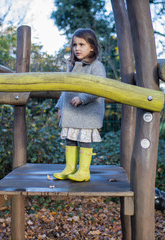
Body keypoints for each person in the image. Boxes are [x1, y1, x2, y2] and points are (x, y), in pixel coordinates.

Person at [53, 28, 106, 182]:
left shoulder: (96, 66)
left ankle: (83, 171)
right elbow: (66, 89)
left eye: (82, 44)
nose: (77, 48)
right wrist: (60, 106)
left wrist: (83, 98)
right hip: (70, 111)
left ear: (92, 47)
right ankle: (70, 168)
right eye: (75, 45)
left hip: (87, 112)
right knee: (69, 140)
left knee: (84, 140)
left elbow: (99, 87)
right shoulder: (71, 65)